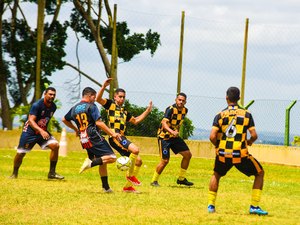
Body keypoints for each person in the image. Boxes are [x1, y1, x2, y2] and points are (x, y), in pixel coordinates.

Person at [207, 87, 268, 215]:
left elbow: (212, 136)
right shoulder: (246, 114)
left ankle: (211, 205)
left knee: (216, 174)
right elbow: (254, 135)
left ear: (226, 98)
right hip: (240, 154)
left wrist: (217, 146)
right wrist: (250, 142)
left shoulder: (219, 115)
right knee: (260, 173)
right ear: (239, 98)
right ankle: (254, 206)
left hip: (222, 153)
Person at [96, 78, 152, 193]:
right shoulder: (110, 105)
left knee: (138, 161)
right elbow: (98, 99)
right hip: (115, 137)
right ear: (115, 97)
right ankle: (130, 176)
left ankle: (127, 187)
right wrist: (103, 87)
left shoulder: (125, 111)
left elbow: (135, 121)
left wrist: (147, 111)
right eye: (120, 96)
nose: (122, 99)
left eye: (123, 97)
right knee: (135, 150)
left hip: (122, 137)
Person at [62, 87, 122, 193]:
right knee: (112, 157)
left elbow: (64, 119)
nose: (95, 99)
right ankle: (91, 163)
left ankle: (106, 187)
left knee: (103, 160)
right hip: (93, 136)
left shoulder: (74, 108)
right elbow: (99, 123)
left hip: (83, 138)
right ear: (89, 96)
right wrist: (113, 134)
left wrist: (76, 129)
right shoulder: (91, 106)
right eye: (94, 96)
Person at [10, 87, 64, 180]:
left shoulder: (53, 107)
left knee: (55, 146)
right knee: (21, 153)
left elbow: (44, 120)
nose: (52, 96)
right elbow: (31, 121)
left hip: (42, 132)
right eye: (50, 94)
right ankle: (14, 174)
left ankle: (52, 173)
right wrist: (41, 130)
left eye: (54, 95)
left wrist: (44, 131)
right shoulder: (37, 105)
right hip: (29, 132)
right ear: (45, 94)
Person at [151, 92, 194, 187]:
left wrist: (176, 132)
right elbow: (164, 124)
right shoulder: (170, 109)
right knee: (165, 161)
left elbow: (178, 123)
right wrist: (172, 131)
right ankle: (154, 181)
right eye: (179, 100)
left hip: (174, 137)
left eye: (183, 100)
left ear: (185, 102)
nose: (181, 102)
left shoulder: (185, 110)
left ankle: (181, 179)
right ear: (176, 100)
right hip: (164, 137)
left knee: (187, 155)